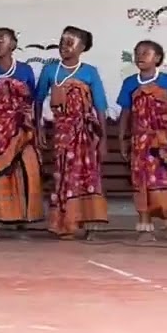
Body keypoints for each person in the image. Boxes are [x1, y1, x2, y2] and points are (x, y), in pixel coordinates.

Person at [36, 25, 108, 239]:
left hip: (86, 134)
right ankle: (65, 224)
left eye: (70, 43)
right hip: (61, 133)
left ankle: (90, 225)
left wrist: (102, 139)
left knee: (88, 177)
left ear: (82, 47)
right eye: (62, 42)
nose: (64, 47)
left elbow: (100, 106)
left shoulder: (89, 71)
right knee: (63, 176)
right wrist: (39, 126)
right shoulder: (50, 70)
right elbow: (38, 101)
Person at [0, 27, 43, 240]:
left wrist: (35, 128)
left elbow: (33, 100)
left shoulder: (25, 70)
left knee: (23, 173)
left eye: (0, 40)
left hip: (20, 129)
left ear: (13, 45)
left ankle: (22, 224)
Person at [117, 39, 167, 243]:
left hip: (164, 143)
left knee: (166, 182)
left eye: (146, 53)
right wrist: (122, 139)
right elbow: (125, 113)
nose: (140, 56)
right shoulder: (130, 83)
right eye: (137, 52)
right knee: (141, 183)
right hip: (140, 143)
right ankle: (145, 228)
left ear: (157, 58)